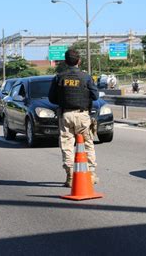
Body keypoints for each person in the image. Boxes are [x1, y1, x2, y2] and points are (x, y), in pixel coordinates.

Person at [49, 49, 99, 187]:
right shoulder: (86, 77)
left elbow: (51, 98)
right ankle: (91, 174)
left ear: (65, 61)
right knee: (88, 143)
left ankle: (70, 176)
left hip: (65, 115)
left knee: (67, 145)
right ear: (79, 61)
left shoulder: (59, 77)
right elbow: (95, 96)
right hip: (83, 115)